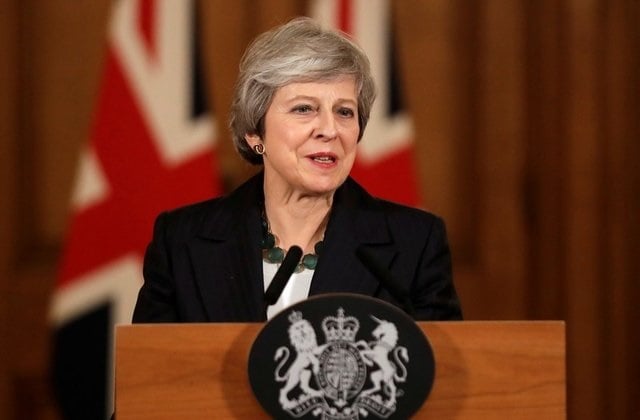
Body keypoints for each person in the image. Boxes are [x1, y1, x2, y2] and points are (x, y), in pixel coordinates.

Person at [132, 17, 462, 323]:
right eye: (304, 109)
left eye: (345, 112)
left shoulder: (414, 243)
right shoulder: (182, 241)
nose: (329, 129)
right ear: (255, 132)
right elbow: (149, 375)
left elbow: (440, 375)